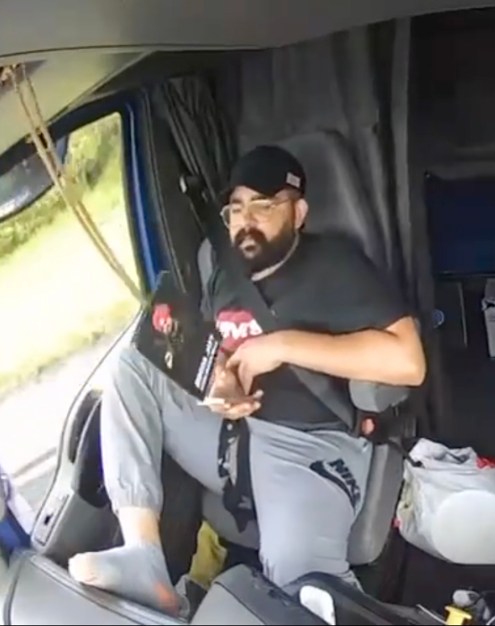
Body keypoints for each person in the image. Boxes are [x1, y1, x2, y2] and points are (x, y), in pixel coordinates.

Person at [67, 145, 426, 615]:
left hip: (310, 447)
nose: (246, 221)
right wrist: (220, 384)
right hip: (233, 434)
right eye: (236, 209)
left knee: (302, 593)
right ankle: (144, 556)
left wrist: (282, 345)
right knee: (133, 366)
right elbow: (216, 351)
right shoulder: (222, 269)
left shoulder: (335, 265)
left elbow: (408, 361)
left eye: (264, 205)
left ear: (298, 213)